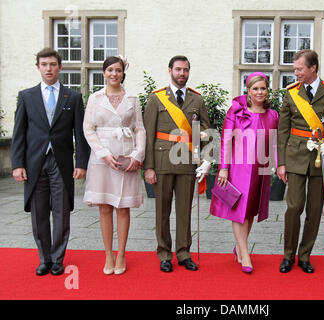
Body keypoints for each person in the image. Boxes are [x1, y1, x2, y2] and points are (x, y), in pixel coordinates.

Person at [10, 48, 90, 276]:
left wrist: (81, 163)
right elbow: (19, 133)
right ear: (38, 67)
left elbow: (80, 133)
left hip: (62, 162)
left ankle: (57, 259)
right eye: (44, 64)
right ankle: (44, 258)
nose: (48, 68)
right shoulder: (26, 96)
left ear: (60, 67)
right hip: (34, 163)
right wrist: (17, 164)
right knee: (39, 213)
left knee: (62, 212)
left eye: (53, 64)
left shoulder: (73, 98)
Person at [277, 49, 324, 273]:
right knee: (294, 207)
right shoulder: (291, 93)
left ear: (313, 68)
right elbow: (283, 131)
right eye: (295, 68)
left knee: (315, 209)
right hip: (296, 155)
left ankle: (305, 255)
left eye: (300, 69)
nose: (296, 72)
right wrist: (281, 162)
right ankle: (288, 255)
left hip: (321, 157)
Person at [143, 55, 212, 272]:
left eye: (186, 70)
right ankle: (164, 253)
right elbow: (148, 135)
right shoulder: (156, 99)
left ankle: (183, 253)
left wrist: (207, 160)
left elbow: (208, 133)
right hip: (162, 160)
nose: (182, 74)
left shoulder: (197, 100)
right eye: (178, 69)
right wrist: (149, 167)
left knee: (184, 211)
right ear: (170, 70)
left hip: (187, 162)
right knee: (162, 211)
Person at [210, 72, 279, 273]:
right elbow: (225, 140)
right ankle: (245, 253)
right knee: (239, 210)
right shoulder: (236, 112)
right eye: (255, 88)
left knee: (250, 211)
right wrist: (223, 168)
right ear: (248, 91)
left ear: (267, 91)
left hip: (261, 168)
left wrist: (277, 164)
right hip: (238, 167)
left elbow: (275, 143)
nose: (259, 92)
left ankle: (240, 246)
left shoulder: (273, 115)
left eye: (263, 88)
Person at [83, 56, 146, 275]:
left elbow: (140, 128)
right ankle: (108, 253)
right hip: (102, 159)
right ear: (104, 72)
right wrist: (103, 153)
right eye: (110, 70)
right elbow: (88, 129)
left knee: (123, 206)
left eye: (118, 70)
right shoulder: (95, 98)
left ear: (123, 73)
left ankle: (121, 253)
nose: (114, 74)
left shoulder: (133, 98)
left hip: (126, 157)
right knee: (105, 206)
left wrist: (138, 155)